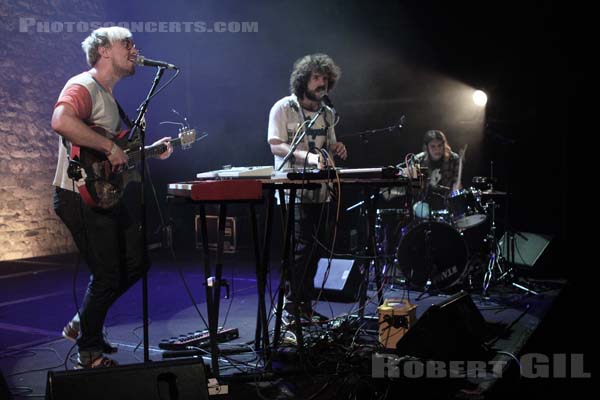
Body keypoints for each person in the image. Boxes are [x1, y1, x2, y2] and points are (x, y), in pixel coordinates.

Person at [51, 26, 173, 368]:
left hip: (104, 195)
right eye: (127, 44)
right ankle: (89, 351)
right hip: (79, 196)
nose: (134, 50)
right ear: (104, 51)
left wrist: (149, 151)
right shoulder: (83, 85)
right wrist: (107, 145)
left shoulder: (107, 95)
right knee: (107, 274)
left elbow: (116, 156)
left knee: (137, 263)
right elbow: (60, 120)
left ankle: (83, 323)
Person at [267, 53, 347, 324]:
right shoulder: (283, 107)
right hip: (292, 188)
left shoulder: (327, 113)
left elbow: (329, 146)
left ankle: (304, 305)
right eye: (316, 77)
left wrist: (336, 148)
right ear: (303, 79)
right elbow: (275, 144)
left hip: (321, 189)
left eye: (325, 78)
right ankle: (291, 307)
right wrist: (308, 157)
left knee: (315, 248)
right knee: (301, 247)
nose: (321, 83)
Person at [409, 129, 462, 218]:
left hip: (447, 202)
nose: (437, 149)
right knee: (423, 211)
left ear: (444, 145)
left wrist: (456, 188)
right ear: (427, 147)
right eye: (433, 146)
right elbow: (415, 190)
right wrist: (430, 182)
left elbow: (456, 185)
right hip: (423, 202)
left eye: (440, 145)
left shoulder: (454, 159)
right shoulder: (417, 160)